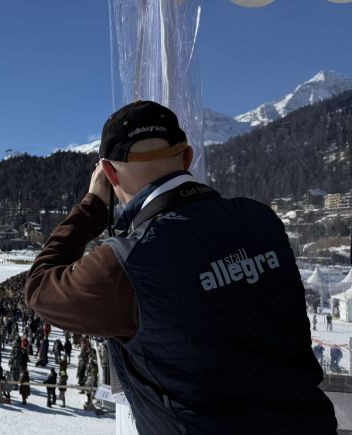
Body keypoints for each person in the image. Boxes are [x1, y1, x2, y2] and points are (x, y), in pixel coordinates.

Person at [24, 101, 337, 433]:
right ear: (187, 158)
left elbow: (39, 288)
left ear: (110, 173)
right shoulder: (261, 218)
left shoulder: (127, 262)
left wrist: (93, 206)